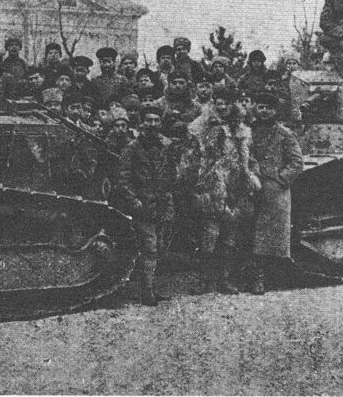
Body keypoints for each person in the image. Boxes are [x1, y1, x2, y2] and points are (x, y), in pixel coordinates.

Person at [110, 104, 178, 306]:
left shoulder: (165, 146)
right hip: (143, 205)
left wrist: (168, 193)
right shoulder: (132, 148)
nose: (153, 124)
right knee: (149, 246)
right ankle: (146, 292)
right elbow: (122, 178)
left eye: (156, 120)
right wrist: (134, 201)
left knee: (160, 246)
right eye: (148, 120)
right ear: (141, 123)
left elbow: (172, 172)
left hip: (163, 204)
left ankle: (150, 287)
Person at [192, 97, 258, 294]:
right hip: (214, 188)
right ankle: (206, 280)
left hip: (236, 188)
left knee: (230, 237)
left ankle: (225, 279)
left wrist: (250, 177)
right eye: (234, 120)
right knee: (210, 236)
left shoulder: (246, 135)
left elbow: (250, 160)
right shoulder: (217, 133)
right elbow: (207, 161)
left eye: (241, 120)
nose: (238, 123)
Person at [248, 92, 303, 295]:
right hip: (250, 185)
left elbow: (296, 162)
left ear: (275, 110)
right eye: (261, 107)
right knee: (248, 231)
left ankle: (262, 277)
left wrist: (280, 180)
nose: (264, 111)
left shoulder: (285, 134)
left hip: (274, 189)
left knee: (268, 234)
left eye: (269, 108)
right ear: (255, 108)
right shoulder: (247, 131)